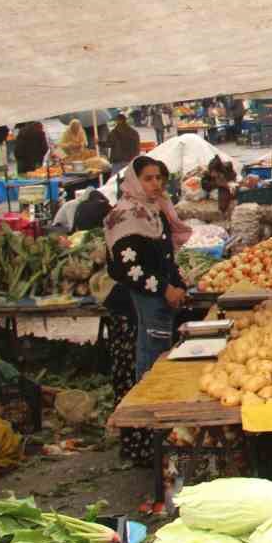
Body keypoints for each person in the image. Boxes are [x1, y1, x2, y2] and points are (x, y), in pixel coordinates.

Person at [105, 157, 191, 379]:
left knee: (162, 351)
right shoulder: (125, 215)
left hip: (162, 295)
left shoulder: (154, 210)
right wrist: (165, 289)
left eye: (158, 178)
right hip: (143, 296)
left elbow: (166, 255)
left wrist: (179, 284)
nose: (156, 184)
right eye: (148, 179)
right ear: (134, 181)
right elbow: (131, 269)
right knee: (151, 355)